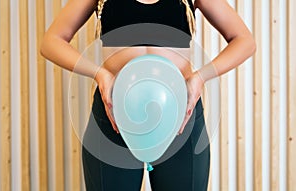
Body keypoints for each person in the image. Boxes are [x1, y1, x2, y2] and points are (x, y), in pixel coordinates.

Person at [40, 0, 256, 190]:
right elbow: (51, 41)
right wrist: (100, 74)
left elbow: (244, 40)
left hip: (180, 117)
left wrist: (199, 78)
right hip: (114, 113)